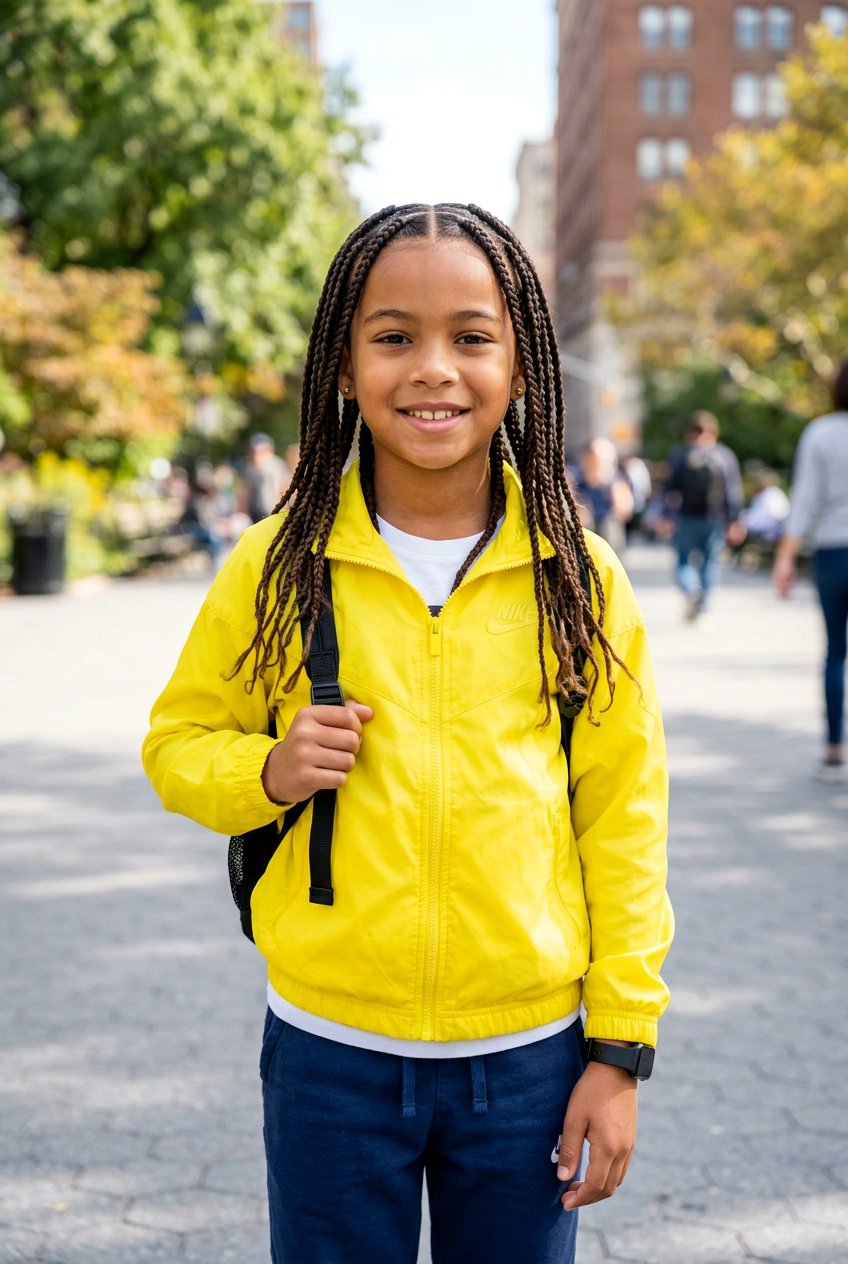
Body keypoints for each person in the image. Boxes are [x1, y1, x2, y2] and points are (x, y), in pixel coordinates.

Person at [142, 204, 673, 1264]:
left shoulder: (581, 580)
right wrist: (267, 769)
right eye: (393, 336)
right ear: (343, 367)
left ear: (521, 367)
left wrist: (618, 1050)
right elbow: (177, 743)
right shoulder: (274, 566)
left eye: (471, 336)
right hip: (328, 1052)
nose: (433, 368)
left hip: (528, 1060)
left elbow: (624, 819)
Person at [774, 359, 848, 782]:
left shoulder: (821, 433)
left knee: (835, 651)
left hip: (833, 552)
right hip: (832, 550)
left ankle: (835, 745)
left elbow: (804, 500)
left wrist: (785, 557)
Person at [663, 411, 745, 621]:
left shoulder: (681, 455)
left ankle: (691, 589)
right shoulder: (724, 456)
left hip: (686, 517)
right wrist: (735, 520)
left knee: (683, 560)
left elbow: (670, 490)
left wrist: (666, 516)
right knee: (711, 561)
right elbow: (732, 491)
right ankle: (704, 607)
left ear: (688, 432)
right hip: (714, 518)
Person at [571, 438, 633, 552]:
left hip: (609, 535)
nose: (593, 463)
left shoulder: (616, 482)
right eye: (590, 459)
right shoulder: (578, 482)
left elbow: (625, 511)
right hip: (585, 535)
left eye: (597, 459)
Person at [238, 432, 291, 524]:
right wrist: (242, 508)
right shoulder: (250, 468)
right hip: (254, 513)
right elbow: (245, 491)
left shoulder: (277, 465)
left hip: (273, 511)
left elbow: (284, 487)